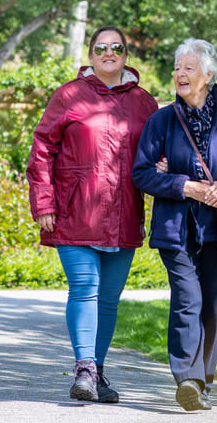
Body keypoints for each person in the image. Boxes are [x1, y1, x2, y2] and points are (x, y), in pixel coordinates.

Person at [27, 26, 159, 403]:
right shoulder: (68, 95)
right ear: (90, 54)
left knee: (109, 300)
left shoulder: (144, 103)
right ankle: (83, 367)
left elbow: (156, 153)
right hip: (75, 212)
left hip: (123, 213)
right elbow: (42, 151)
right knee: (85, 289)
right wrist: (44, 203)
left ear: (126, 54)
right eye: (101, 47)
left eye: (116, 47)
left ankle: (96, 373)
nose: (108, 52)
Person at [132, 38, 217, 411]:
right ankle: (186, 378)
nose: (180, 74)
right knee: (188, 300)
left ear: (208, 74)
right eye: (177, 68)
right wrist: (183, 185)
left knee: (212, 307)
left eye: (188, 68)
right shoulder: (161, 120)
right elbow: (141, 173)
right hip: (176, 227)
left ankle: (203, 382)